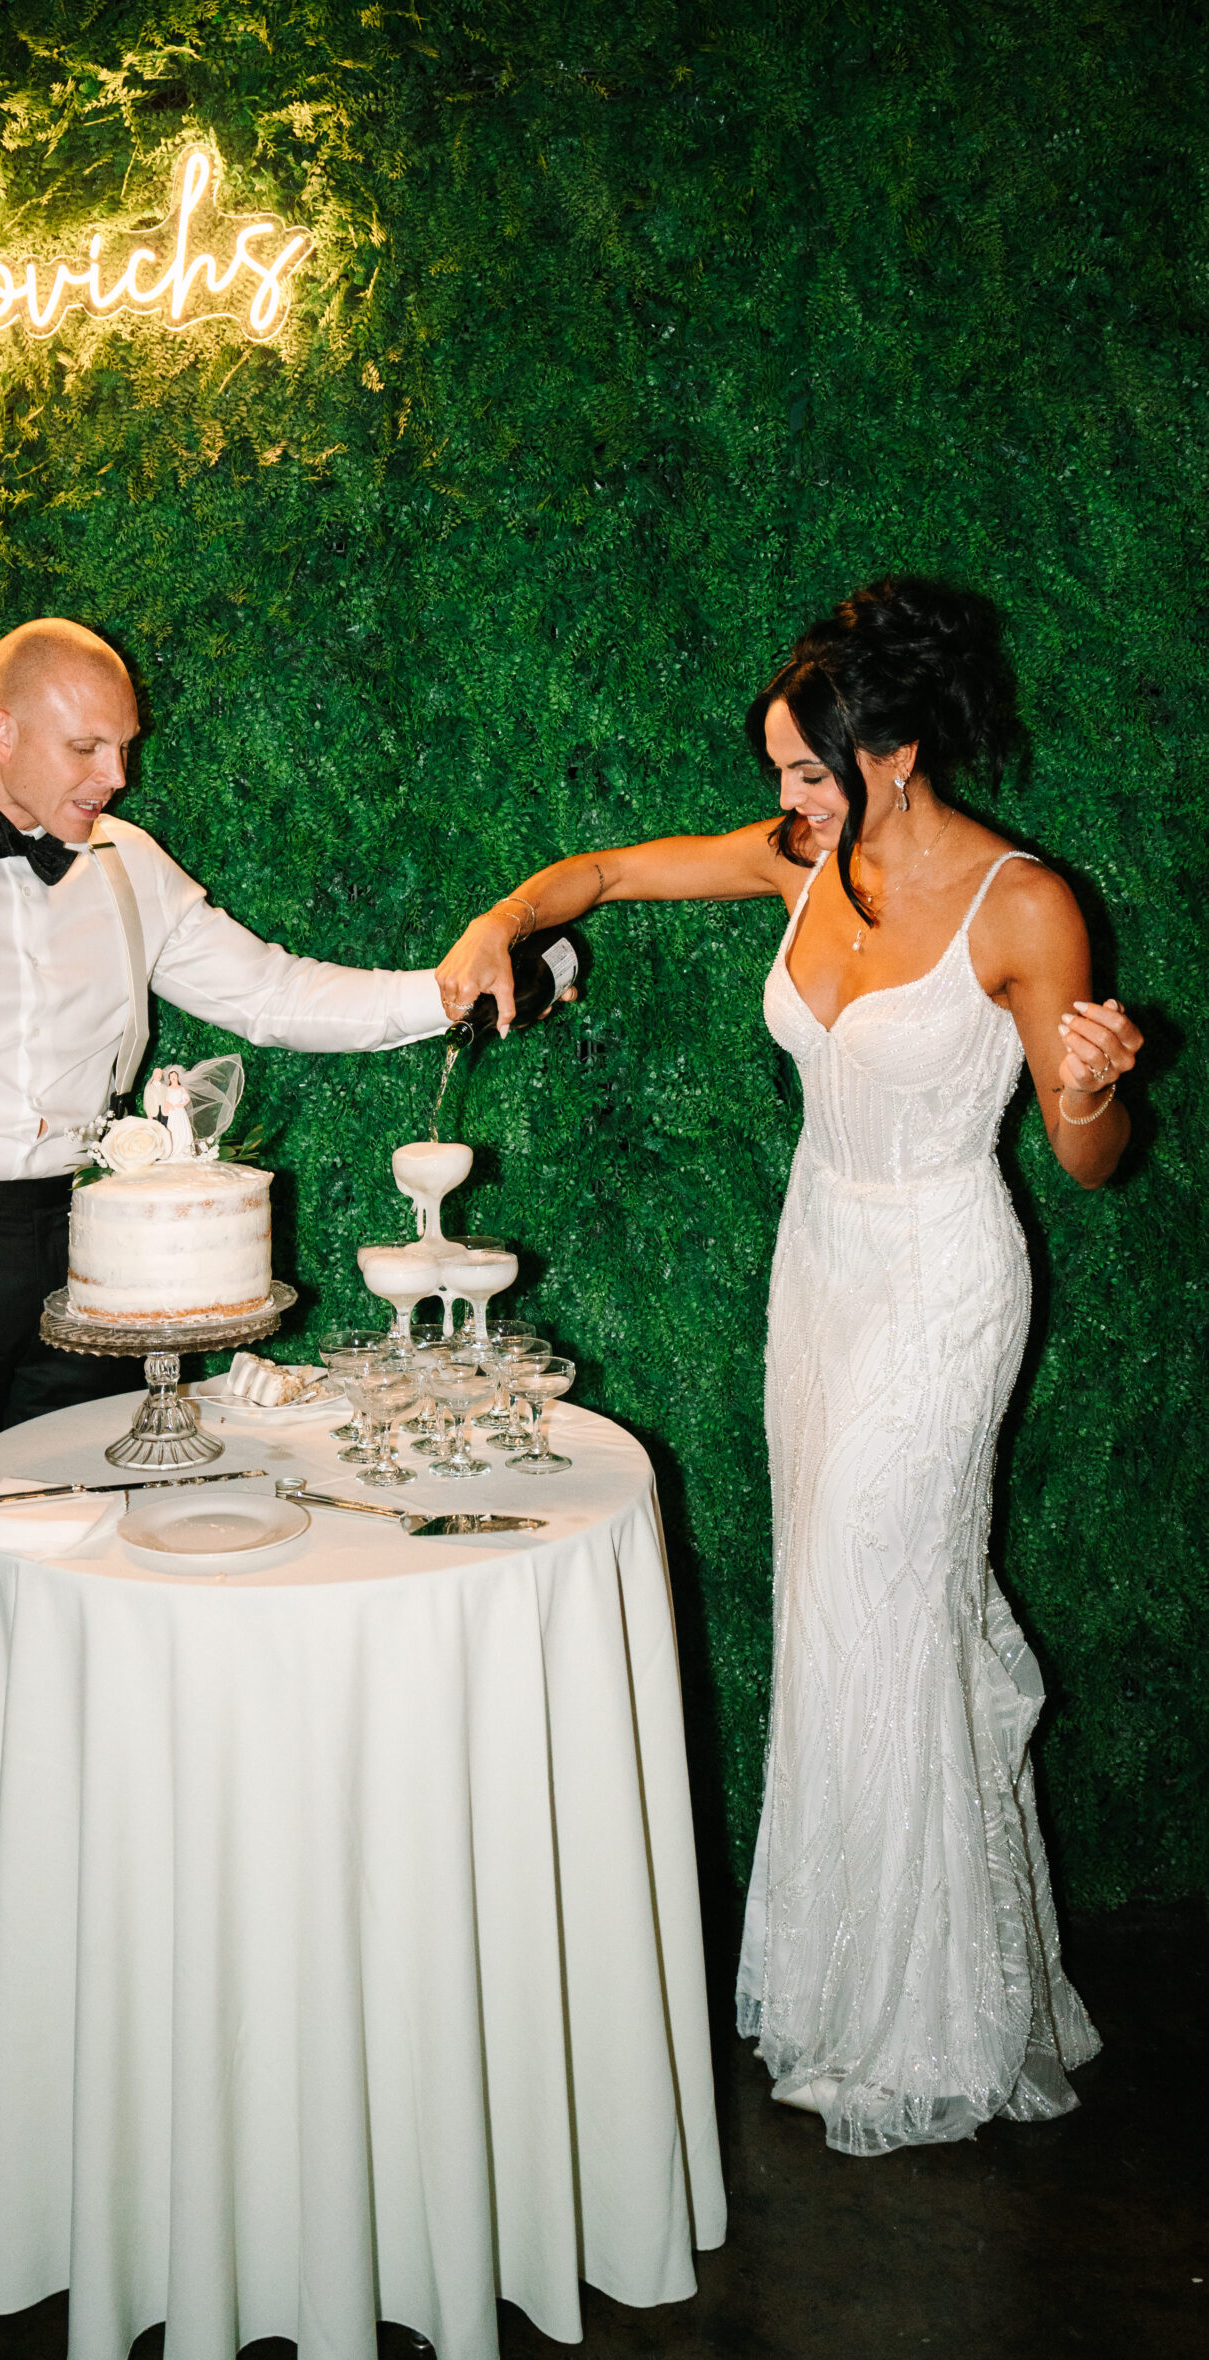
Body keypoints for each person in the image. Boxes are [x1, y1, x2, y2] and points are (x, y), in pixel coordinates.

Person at [434, 576, 1143, 2156]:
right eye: (778, 778)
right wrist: (503, 919)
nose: (786, 806)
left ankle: (927, 2030)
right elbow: (609, 873)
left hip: (943, 1277)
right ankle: (848, 1989)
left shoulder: (1024, 906)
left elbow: (1089, 1163)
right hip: (816, 1264)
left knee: (871, 1597)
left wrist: (1090, 1092)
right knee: (841, 1624)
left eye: (810, 774)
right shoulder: (806, 861)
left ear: (894, 754)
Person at [0, 617, 446, 1910]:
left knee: (104, 1555)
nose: (116, 772)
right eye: (89, 744)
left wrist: (446, 994)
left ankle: (92, 1899)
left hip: (95, 1251)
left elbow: (274, 990)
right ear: (1, 729)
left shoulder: (126, 864)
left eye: (123, 745)